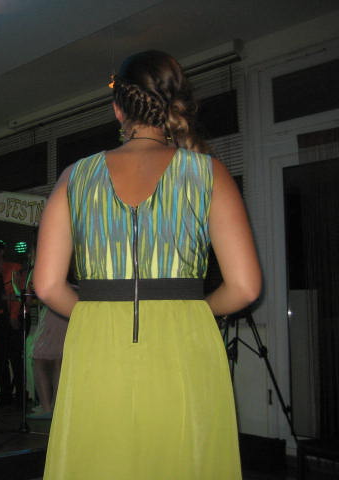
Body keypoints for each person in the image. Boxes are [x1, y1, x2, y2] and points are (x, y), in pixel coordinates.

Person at [34, 50, 261, 479]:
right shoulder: (209, 173)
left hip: (98, 345)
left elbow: (46, 286)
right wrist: (189, 311)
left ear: (118, 109)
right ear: (175, 103)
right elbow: (245, 288)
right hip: (184, 343)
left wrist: (99, 315)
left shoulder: (74, 177)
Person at [0, 239, 23, 407]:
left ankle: (20, 395)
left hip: (13, 315)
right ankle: (6, 394)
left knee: (15, 357)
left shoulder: (14, 268)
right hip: (1, 317)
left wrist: (14, 315)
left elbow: (17, 295)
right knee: (0, 358)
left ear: (1, 252)